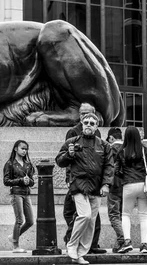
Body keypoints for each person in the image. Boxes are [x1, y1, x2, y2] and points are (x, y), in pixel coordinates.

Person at [56, 112, 113, 265]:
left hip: (96, 187)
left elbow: (109, 166)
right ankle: (72, 245)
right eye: (86, 122)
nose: (88, 125)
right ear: (81, 123)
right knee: (85, 216)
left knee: (91, 222)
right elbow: (59, 161)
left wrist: (106, 184)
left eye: (91, 123)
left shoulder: (104, 145)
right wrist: (69, 154)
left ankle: (80, 254)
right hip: (78, 185)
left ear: (96, 126)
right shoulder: (72, 141)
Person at [63, 103, 105, 255]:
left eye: (87, 114)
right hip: (77, 181)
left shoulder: (98, 134)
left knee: (93, 217)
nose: (85, 119)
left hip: (94, 183)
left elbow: (104, 161)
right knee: (76, 213)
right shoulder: (73, 132)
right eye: (82, 114)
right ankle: (71, 241)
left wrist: (104, 183)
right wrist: (69, 178)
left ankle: (91, 245)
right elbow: (67, 156)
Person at [115, 126, 147, 254]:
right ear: (137, 136)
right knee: (143, 215)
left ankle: (128, 242)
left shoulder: (121, 151)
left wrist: (125, 176)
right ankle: (144, 245)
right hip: (143, 185)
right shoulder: (145, 149)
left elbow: (116, 171)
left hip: (128, 185)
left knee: (125, 215)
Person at [3, 139, 35, 253]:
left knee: (30, 221)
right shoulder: (10, 163)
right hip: (16, 193)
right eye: (22, 148)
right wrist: (21, 180)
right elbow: (6, 181)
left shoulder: (28, 164)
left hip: (26, 193)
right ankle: (15, 246)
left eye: (26, 149)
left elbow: (32, 181)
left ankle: (13, 236)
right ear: (16, 149)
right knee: (19, 220)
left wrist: (28, 181)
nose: (24, 151)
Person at [105, 127, 124, 253]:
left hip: (114, 185)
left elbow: (108, 167)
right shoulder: (128, 147)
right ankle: (120, 243)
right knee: (122, 215)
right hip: (127, 185)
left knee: (113, 215)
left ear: (111, 138)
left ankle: (122, 240)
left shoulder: (111, 148)